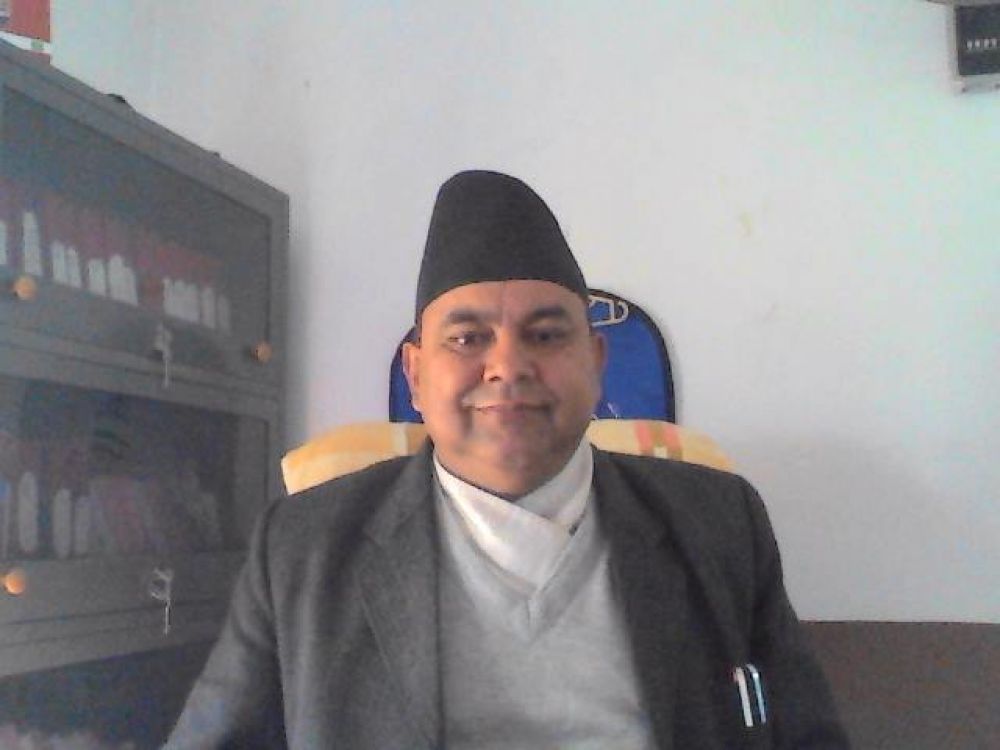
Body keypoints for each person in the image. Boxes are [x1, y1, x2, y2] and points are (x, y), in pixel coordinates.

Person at [166, 171, 849, 749]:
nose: (508, 367)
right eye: (468, 338)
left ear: (596, 362)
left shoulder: (720, 523)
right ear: (415, 376)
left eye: (546, 334)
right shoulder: (302, 549)